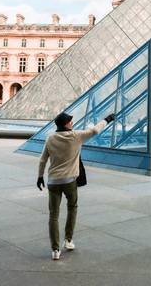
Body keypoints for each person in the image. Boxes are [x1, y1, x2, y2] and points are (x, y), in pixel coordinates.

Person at [37, 111, 115, 260]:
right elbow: (95, 131)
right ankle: (68, 240)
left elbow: (42, 160)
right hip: (69, 181)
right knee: (72, 208)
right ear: (66, 124)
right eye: (70, 121)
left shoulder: (50, 138)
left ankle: (55, 250)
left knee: (53, 215)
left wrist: (40, 176)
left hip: (53, 181)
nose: (72, 123)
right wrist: (107, 119)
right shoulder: (76, 136)